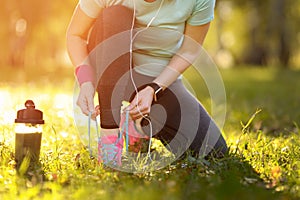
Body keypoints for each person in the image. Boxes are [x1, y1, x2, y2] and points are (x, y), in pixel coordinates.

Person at [66, 0, 227, 167]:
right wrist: (86, 81)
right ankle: (110, 140)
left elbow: (189, 50)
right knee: (116, 15)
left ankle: (136, 124)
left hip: (160, 78)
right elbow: (75, 35)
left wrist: (154, 89)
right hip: (109, 66)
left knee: (215, 151)